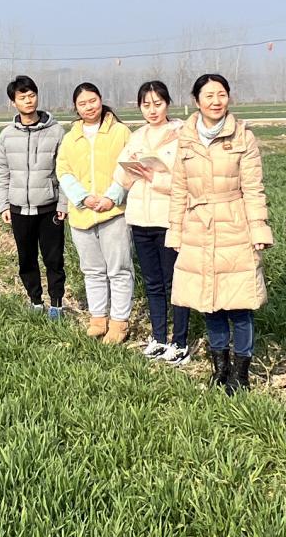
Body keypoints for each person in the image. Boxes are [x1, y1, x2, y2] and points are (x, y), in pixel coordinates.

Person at [166, 73, 273, 393]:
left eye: (222, 95)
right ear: (196, 101)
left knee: (239, 303)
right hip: (197, 227)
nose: (216, 101)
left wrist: (259, 228)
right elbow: (179, 188)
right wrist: (175, 231)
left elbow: (253, 188)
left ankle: (241, 373)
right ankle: (219, 368)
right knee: (208, 303)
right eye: (209, 96)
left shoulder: (243, 137)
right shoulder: (185, 138)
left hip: (234, 225)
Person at [115, 81, 188, 363]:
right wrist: (132, 166)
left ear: (167, 103)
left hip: (169, 219)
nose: (152, 110)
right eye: (146, 105)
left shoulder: (181, 135)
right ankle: (158, 337)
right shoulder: (136, 137)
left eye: (158, 104)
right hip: (140, 220)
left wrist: (154, 178)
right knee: (152, 282)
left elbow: (186, 181)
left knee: (174, 283)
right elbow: (120, 179)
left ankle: (180, 342)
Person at [56, 82, 134, 344]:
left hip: (114, 213)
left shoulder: (121, 132)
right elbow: (63, 171)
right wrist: (83, 198)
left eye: (92, 100)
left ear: (101, 99)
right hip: (82, 214)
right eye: (82, 103)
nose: (89, 107)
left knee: (119, 269)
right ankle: (98, 318)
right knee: (92, 270)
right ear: (76, 108)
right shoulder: (70, 138)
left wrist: (112, 197)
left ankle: (119, 321)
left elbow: (130, 166)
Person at [0, 75, 67, 320]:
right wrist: (3, 204)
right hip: (18, 208)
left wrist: (63, 203)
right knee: (26, 259)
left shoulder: (56, 131)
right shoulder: (7, 135)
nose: (28, 100)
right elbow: (3, 172)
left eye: (32, 95)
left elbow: (64, 171)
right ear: (13, 102)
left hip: (49, 208)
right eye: (22, 97)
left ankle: (57, 304)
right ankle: (35, 301)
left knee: (54, 259)